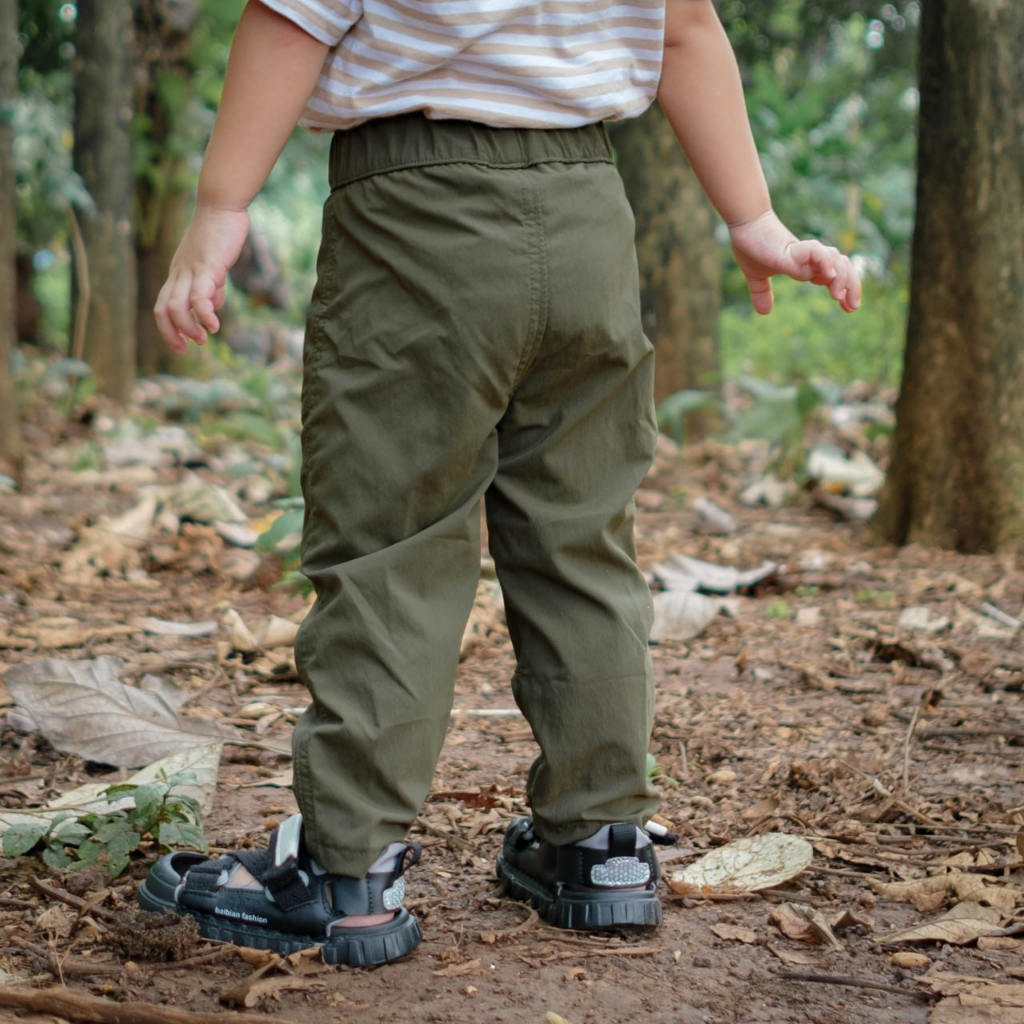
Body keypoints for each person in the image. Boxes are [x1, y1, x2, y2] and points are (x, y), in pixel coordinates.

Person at [138, 0, 860, 967]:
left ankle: (346, 871)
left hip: (417, 212)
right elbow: (686, 26)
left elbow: (288, 19)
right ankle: (600, 845)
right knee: (581, 535)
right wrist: (753, 216)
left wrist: (224, 206)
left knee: (392, 536)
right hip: (588, 214)